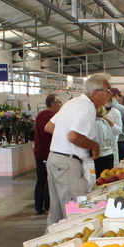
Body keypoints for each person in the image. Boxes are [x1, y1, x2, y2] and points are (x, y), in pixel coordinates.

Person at [45, 74, 108, 225]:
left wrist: (63, 139)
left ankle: (52, 245)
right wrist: (94, 146)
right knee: (74, 213)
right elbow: (73, 136)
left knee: (57, 212)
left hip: (55, 159)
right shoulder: (87, 107)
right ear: (96, 93)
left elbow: (49, 127)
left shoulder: (72, 102)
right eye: (108, 90)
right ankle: (69, 245)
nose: (110, 94)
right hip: (68, 163)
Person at [33, 95, 61, 216]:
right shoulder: (52, 117)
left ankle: (37, 207)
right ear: (53, 104)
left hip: (38, 152)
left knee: (40, 180)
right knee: (49, 181)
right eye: (59, 102)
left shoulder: (40, 115)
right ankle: (48, 207)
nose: (61, 105)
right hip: (47, 152)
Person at [94, 102, 118, 176]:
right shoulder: (105, 122)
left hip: (99, 156)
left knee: (99, 179)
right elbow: (111, 138)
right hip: (109, 154)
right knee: (108, 179)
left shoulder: (94, 123)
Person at [110, 89, 124, 161]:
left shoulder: (101, 107)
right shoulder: (121, 108)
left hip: (108, 142)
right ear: (116, 95)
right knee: (121, 164)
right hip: (121, 139)